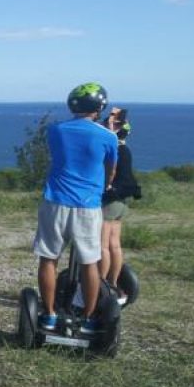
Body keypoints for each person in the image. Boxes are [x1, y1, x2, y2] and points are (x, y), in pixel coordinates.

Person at [33, 82, 118, 334]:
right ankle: (88, 318)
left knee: (49, 259)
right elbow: (110, 170)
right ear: (100, 106)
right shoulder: (108, 136)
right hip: (88, 206)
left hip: (55, 201)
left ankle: (48, 315)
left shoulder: (55, 130)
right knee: (89, 263)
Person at [100, 111, 140, 304]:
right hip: (121, 202)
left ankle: (100, 285)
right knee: (114, 244)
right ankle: (113, 283)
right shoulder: (125, 149)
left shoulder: (113, 149)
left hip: (110, 201)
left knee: (102, 246)